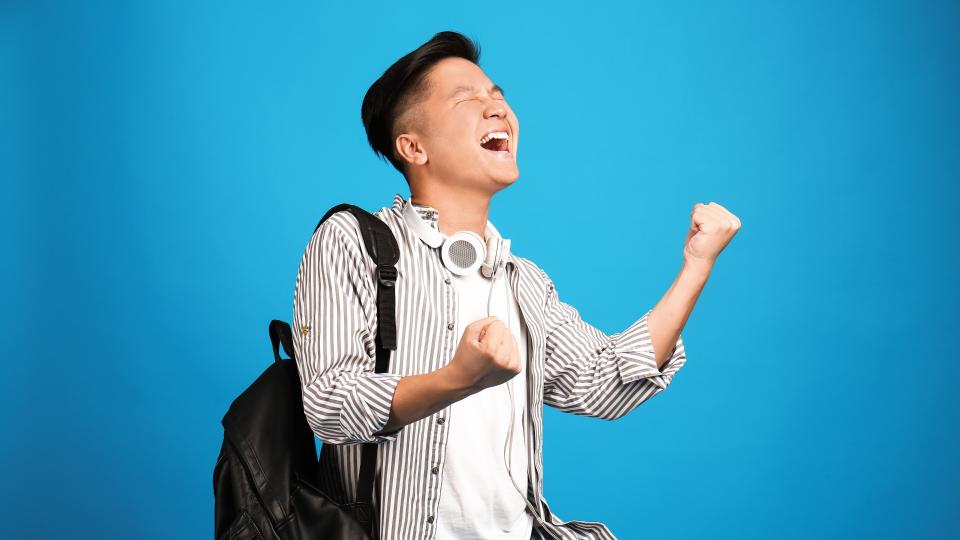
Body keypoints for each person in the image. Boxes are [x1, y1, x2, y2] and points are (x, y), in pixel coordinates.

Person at [291, 30, 740, 540]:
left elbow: (606, 383)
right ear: (413, 146)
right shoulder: (353, 243)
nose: (497, 108)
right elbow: (329, 405)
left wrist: (695, 268)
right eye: (468, 99)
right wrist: (459, 377)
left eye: (498, 96)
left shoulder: (524, 284)